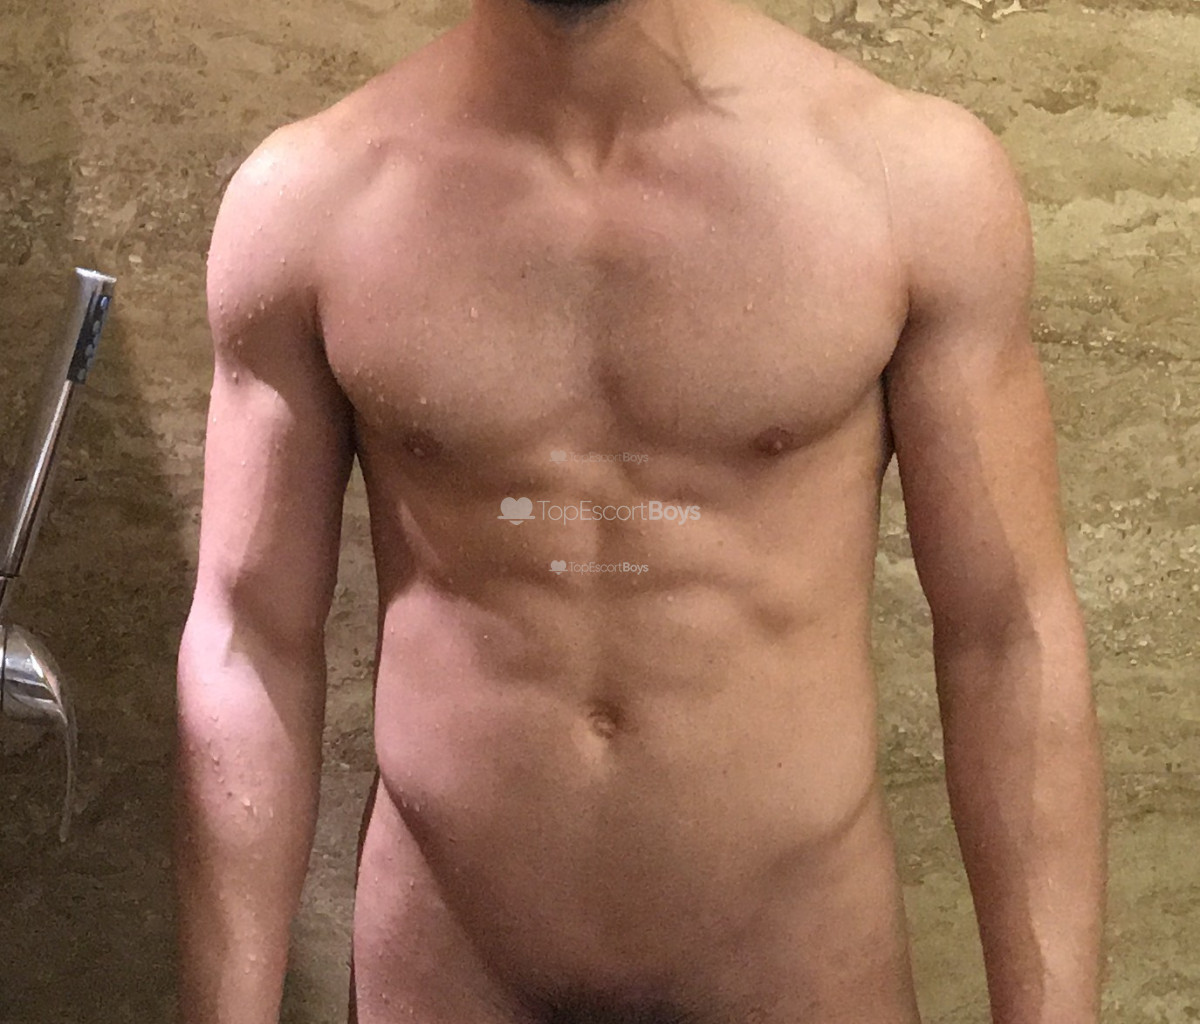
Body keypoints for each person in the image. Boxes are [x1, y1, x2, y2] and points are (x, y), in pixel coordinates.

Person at [175, 0, 1106, 1021]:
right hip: (450, 968)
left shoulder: (908, 182)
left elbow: (1006, 633)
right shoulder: (310, 201)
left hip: (794, 967)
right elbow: (249, 636)